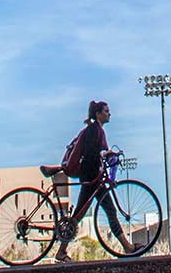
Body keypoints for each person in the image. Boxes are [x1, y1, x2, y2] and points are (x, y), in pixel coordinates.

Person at [50, 100, 129, 262]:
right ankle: (61, 251)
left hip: (94, 177)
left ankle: (127, 247)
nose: (109, 113)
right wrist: (105, 154)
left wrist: (108, 155)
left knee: (107, 210)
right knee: (81, 214)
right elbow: (92, 152)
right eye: (106, 111)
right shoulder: (94, 130)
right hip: (90, 177)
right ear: (98, 114)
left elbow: (100, 152)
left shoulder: (98, 130)